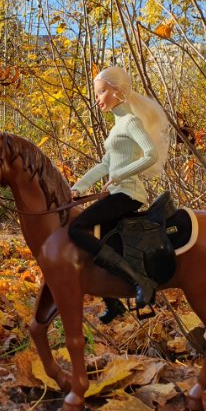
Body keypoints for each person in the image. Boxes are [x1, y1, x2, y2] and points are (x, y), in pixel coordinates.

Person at [69, 66, 170, 322]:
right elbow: (104, 165)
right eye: (97, 93)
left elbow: (151, 155)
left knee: (77, 228)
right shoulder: (116, 127)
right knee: (100, 237)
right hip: (117, 191)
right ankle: (112, 302)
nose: (98, 98)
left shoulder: (131, 122)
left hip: (128, 194)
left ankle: (141, 283)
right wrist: (79, 186)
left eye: (101, 92)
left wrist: (122, 174)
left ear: (117, 91)